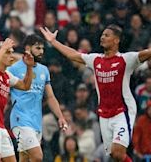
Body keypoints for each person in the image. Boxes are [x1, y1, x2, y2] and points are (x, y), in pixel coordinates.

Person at [40, 24, 151, 162]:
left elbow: (146, 53)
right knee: (113, 155)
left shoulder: (126, 59)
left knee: (117, 152)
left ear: (116, 40)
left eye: (107, 35)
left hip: (123, 111)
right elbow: (73, 54)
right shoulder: (95, 59)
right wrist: (53, 42)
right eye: (102, 34)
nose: (102, 37)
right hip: (104, 113)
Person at [7, 34, 68, 162]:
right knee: (37, 156)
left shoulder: (44, 70)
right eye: (38, 48)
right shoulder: (13, 69)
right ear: (27, 48)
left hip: (36, 121)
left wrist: (60, 116)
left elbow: (50, 97)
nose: (41, 52)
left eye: (42, 49)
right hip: (20, 119)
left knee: (24, 158)